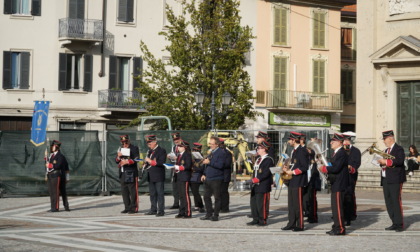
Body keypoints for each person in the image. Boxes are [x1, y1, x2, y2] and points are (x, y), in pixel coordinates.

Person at [320, 133, 349, 236]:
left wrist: (324, 168)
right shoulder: (336, 153)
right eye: (331, 141)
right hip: (335, 182)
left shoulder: (341, 153)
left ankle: (340, 228)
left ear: (340, 142)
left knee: (338, 207)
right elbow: (333, 165)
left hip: (339, 183)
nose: (331, 143)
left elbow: (336, 168)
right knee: (334, 207)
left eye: (333, 141)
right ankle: (336, 226)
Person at [378, 130, 406, 232]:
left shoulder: (399, 149)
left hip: (395, 179)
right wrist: (381, 162)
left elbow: (399, 161)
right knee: (388, 201)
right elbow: (385, 163)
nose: (384, 141)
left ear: (390, 138)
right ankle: (394, 222)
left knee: (396, 201)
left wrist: (386, 161)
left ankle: (399, 224)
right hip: (386, 178)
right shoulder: (386, 151)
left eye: (384, 139)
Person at [281, 132, 308, 232]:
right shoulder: (294, 151)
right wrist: (286, 167)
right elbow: (295, 164)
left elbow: (304, 167)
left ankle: (300, 224)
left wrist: (292, 171)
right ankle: (291, 223)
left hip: (298, 180)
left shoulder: (302, 151)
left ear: (294, 140)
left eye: (289, 139)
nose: (288, 141)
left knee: (298, 204)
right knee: (291, 204)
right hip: (292, 180)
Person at [247, 140, 274, 226]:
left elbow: (266, 173)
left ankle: (263, 220)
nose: (257, 149)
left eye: (259, 148)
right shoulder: (258, 159)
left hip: (263, 184)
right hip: (255, 185)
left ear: (264, 149)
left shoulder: (268, 160)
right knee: (254, 203)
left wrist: (257, 179)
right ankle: (255, 219)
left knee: (261, 204)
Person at [200, 136, 226, 221]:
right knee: (206, 196)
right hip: (208, 177)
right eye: (209, 143)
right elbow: (207, 165)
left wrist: (210, 162)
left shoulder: (221, 153)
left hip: (216, 178)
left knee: (217, 197)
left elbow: (220, 165)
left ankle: (216, 215)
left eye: (212, 144)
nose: (210, 145)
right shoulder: (211, 152)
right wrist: (204, 173)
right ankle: (209, 213)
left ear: (217, 144)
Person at [115, 135, 140, 214]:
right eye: (123, 142)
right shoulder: (120, 149)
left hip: (131, 172)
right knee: (124, 191)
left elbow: (137, 159)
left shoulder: (134, 148)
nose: (124, 144)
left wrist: (128, 161)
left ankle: (133, 208)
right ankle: (127, 207)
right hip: (122, 172)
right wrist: (119, 157)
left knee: (132, 191)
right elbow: (116, 160)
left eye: (126, 142)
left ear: (129, 141)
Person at [144, 135, 167, 217]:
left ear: (155, 142)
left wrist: (150, 161)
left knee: (160, 193)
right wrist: (145, 164)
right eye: (148, 143)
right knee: (152, 193)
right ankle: (153, 209)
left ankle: (161, 210)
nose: (148, 144)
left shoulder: (161, 150)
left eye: (150, 143)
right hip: (151, 175)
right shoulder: (150, 151)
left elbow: (161, 162)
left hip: (158, 175)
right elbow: (148, 162)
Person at [45, 140, 70, 212]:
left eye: (53, 146)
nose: (51, 147)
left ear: (56, 147)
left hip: (57, 175)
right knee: (51, 192)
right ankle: (53, 207)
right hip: (51, 175)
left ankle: (56, 207)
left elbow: (58, 166)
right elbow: (47, 166)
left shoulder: (60, 156)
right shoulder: (51, 156)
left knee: (57, 192)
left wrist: (67, 177)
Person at [343, 134, 361, 226]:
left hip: (351, 176)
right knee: (342, 195)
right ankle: (342, 214)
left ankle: (350, 216)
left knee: (349, 195)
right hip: (342, 176)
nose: (344, 142)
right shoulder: (341, 150)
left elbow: (357, 163)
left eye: (345, 140)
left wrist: (351, 167)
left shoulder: (356, 151)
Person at [174, 140, 193, 218]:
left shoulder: (187, 155)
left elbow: (188, 166)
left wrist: (180, 167)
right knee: (181, 195)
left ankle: (188, 212)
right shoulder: (179, 155)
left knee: (185, 195)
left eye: (180, 146)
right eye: (178, 146)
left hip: (185, 176)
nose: (178, 147)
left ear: (184, 147)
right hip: (179, 176)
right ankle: (181, 211)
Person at [306, 143, 321, 223]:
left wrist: (317, 161)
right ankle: (309, 214)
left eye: (309, 150)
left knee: (313, 200)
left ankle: (314, 216)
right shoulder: (308, 161)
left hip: (313, 181)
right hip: (308, 181)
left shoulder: (314, 161)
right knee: (308, 199)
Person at [168, 132, 182, 209]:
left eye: (177, 139)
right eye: (174, 140)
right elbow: (173, 155)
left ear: (180, 138)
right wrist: (170, 156)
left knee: (181, 188)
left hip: (181, 169)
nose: (176, 141)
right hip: (174, 169)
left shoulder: (184, 146)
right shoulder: (174, 147)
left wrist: (178, 158)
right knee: (175, 187)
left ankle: (183, 203)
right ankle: (176, 203)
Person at [190, 142, 205, 213]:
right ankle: (197, 205)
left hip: (197, 176)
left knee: (196, 192)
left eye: (196, 150)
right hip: (192, 176)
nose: (194, 152)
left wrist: (194, 167)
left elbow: (201, 169)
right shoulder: (194, 159)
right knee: (194, 192)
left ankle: (200, 206)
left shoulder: (201, 159)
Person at [220, 138, 233, 213]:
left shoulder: (227, 153)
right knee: (218, 192)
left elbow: (227, 164)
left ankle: (225, 207)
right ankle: (219, 206)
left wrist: (218, 163)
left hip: (225, 175)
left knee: (224, 191)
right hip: (218, 175)